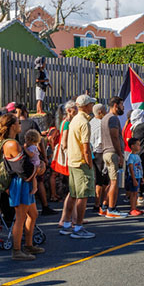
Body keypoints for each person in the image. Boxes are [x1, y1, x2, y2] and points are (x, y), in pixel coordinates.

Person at [0, 114, 44, 260]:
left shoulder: (13, 142)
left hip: (24, 181)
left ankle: (28, 245)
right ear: (12, 126)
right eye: (18, 123)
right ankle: (17, 250)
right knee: (21, 217)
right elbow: (23, 169)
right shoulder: (12, 144)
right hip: (20, 183)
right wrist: (38, 169)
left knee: (33, 214)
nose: (20, 125)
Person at [60, 95, 97, 239]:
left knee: (74, 194)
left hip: (73, 161)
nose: (92, 106)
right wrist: (89, 163)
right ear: (86, 106)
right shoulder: (84, 122)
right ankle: (78, 227)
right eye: (91, 104)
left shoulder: (74, 119)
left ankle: (67, 224)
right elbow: (86, 148)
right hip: (81, 162)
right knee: (83, 196)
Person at [101, 96, 127, 218]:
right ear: (116, 105)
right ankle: (111, 209)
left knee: (111, 182)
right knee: (114, 182)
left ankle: (104, 206)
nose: (123, 107)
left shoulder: (105, 117)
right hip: (112, 152)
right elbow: (115, 137)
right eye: (121, 105)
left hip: (107, 152)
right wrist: (120, 154)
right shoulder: (113, 118)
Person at [89, 103, 112, 216]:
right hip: (100, 152)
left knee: (99, 179)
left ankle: (98, 203)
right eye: (104, 110)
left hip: (93, 152)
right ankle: (100, 203)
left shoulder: (91, 122)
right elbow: (101, 141)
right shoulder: (101, 124)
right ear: (100, 112)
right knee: (103, 179)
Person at [125, 138, 144, 216]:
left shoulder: (137, 156)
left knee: (136, 193)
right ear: (132, 146)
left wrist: (142, 177)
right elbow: (130, 168)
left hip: (138, 176)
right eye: (138, 145)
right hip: (133, 177)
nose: (139, 146)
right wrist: (133, 179)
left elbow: (140, 167)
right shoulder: (131, 156)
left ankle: (135, 207)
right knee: (133, 193)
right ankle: (132, 209)